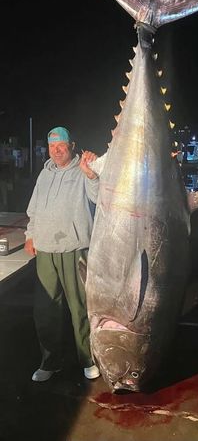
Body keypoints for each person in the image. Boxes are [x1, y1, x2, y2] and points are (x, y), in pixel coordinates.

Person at [24, 126, 100, 381]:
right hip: (45, 250)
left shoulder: (84, 169)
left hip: (75, 248)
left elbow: (99, 198)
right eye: (52, 146)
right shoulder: (44, 175)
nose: (56, 151)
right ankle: (50, 361)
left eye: (61, 146)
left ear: (72, 146)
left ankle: (88, 358)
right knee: (46, 309)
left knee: (81, 307)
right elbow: (33, 210)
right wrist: (30, 235)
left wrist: (91, 174)